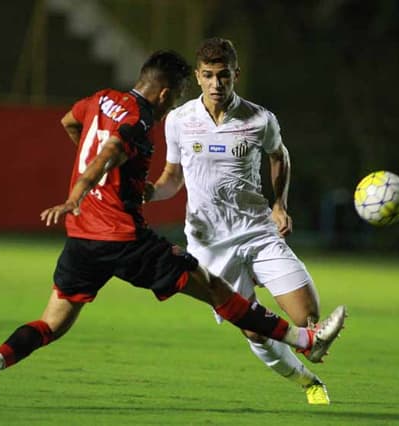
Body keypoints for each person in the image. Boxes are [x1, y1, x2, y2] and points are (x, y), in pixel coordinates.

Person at [0, 50, 346, 404]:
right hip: (124, 238)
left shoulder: (100, 99)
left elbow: (70, 122)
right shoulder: (139, 120)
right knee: (214, 288)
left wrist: (91, 185)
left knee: (52, 324)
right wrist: (79, 190)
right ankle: (305, 339)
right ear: (166, 94)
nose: (176, 103)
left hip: (82, 239)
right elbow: (110, 152)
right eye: (176, 95)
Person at [146, 38, 346, 405]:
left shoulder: (259, 118)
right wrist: (149, 193)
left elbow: (279, 156)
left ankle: (310, 345)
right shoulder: (178, 120)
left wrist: (280, 205)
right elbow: (172, 177)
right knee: (255, 332)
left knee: (308, 317)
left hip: (257, 231)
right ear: (197, 76)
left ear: (235, 75)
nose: (216, 84)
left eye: (223, 75)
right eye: (208, 76)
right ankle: (308, 381)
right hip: (209, 243)